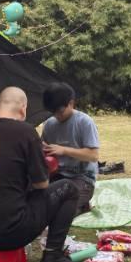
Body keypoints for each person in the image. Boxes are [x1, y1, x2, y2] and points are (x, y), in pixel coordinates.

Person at [0, 87, 93, 262]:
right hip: (10, 231)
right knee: (68, 188)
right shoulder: (25, 131)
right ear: (23, 109)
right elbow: (41, 184)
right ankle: (53, 258)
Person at [41, 82, 100, 216]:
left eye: (60, 111)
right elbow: (45, 152)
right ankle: (81, 205)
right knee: (39, 202)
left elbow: (93, 155)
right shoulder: (49, 124)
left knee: (61, 209)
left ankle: (81, 205)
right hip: (56, 176)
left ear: (71, 103)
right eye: (53, 112)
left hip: (82, 178)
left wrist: (64, 150)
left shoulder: (84, 122)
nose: (57, 116)